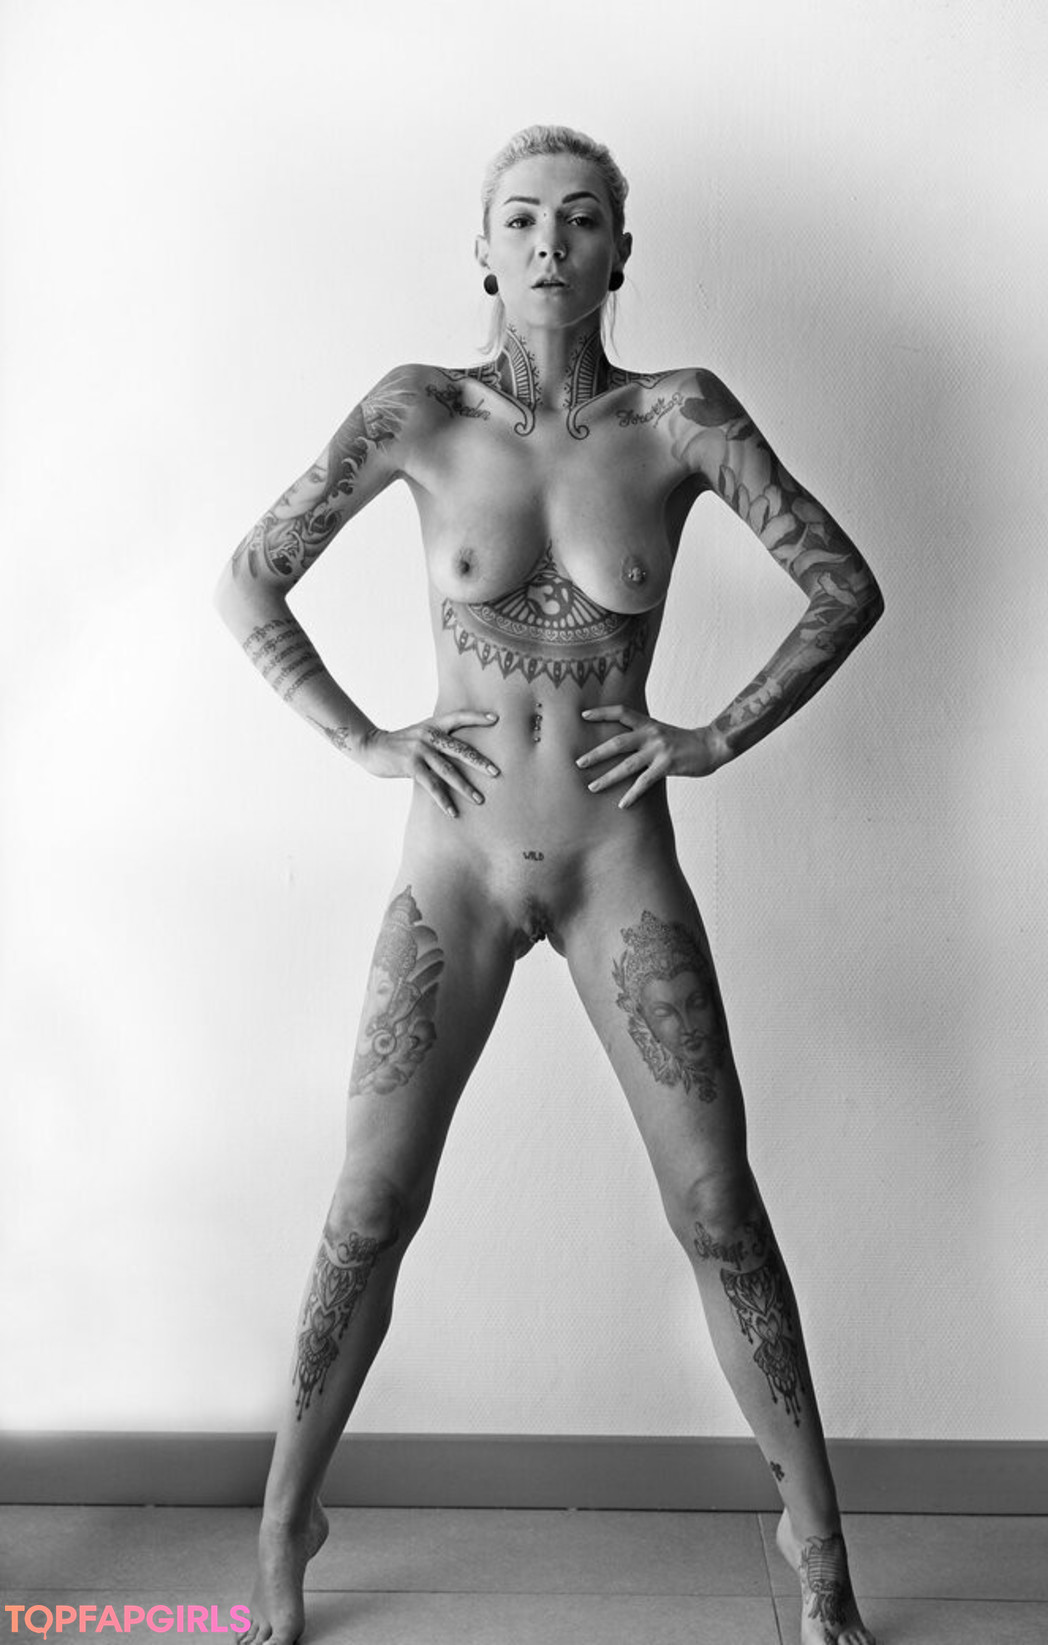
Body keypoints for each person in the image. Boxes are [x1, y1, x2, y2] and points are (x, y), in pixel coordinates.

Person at [215, 124, 884, 1645]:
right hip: (453, 865)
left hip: (613, 864)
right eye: (519, 218)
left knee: (716, 1207)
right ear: (482, 248)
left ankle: (818, 1544)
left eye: (581, 219)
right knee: (370, 1203)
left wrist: (711, 736)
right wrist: (362, 737)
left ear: (619, 253)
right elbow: (250, 576)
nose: (548, 243)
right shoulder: (416, 411)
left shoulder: (680, 415)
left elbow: (843, 586)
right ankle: (283, 1526)